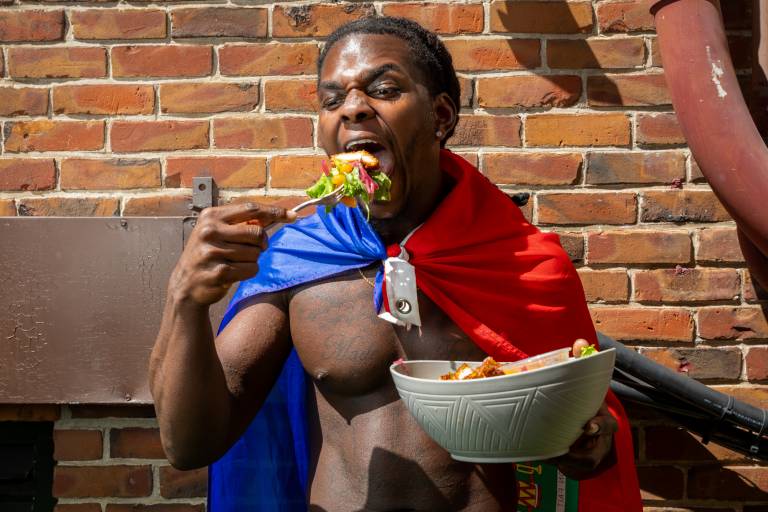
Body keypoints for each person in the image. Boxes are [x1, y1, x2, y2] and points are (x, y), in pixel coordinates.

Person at [149, 16, 641, 511]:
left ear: (440, 116)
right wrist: (184, 302)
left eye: (383, 89)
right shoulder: (299, 258)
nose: (354, 109)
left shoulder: (524, 263)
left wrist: (590, 442)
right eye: (332, 99)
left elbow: (586, 445)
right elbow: (189, 446)